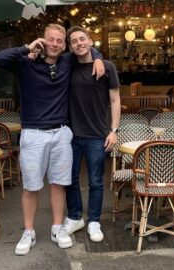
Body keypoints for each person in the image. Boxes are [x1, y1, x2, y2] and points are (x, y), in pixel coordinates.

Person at [0, 24, 104, 255]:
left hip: (61, 132)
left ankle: (56, 227)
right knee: (31, 186)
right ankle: (29, 232)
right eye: (50, 40)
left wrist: (98, 58)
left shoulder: (67, 61)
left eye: (59, 41)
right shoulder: (26, 62)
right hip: (33, 133)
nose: (54, 44)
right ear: (43, 41)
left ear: (64, 46)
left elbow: (85, 49)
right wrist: (26, 48)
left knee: (59, 183)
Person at [63, 26, 121, 242]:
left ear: (90, 41)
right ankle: (75, 217)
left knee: (96, 181)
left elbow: (115, 100)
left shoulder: (107, 67)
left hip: (97, 134)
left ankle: (94, 221)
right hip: (71, 134)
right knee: (70, 179)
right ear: (70, 47)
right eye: (74, 41)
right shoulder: (67, 65)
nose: (79, 43)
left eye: (82, 39)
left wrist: (114, 131)